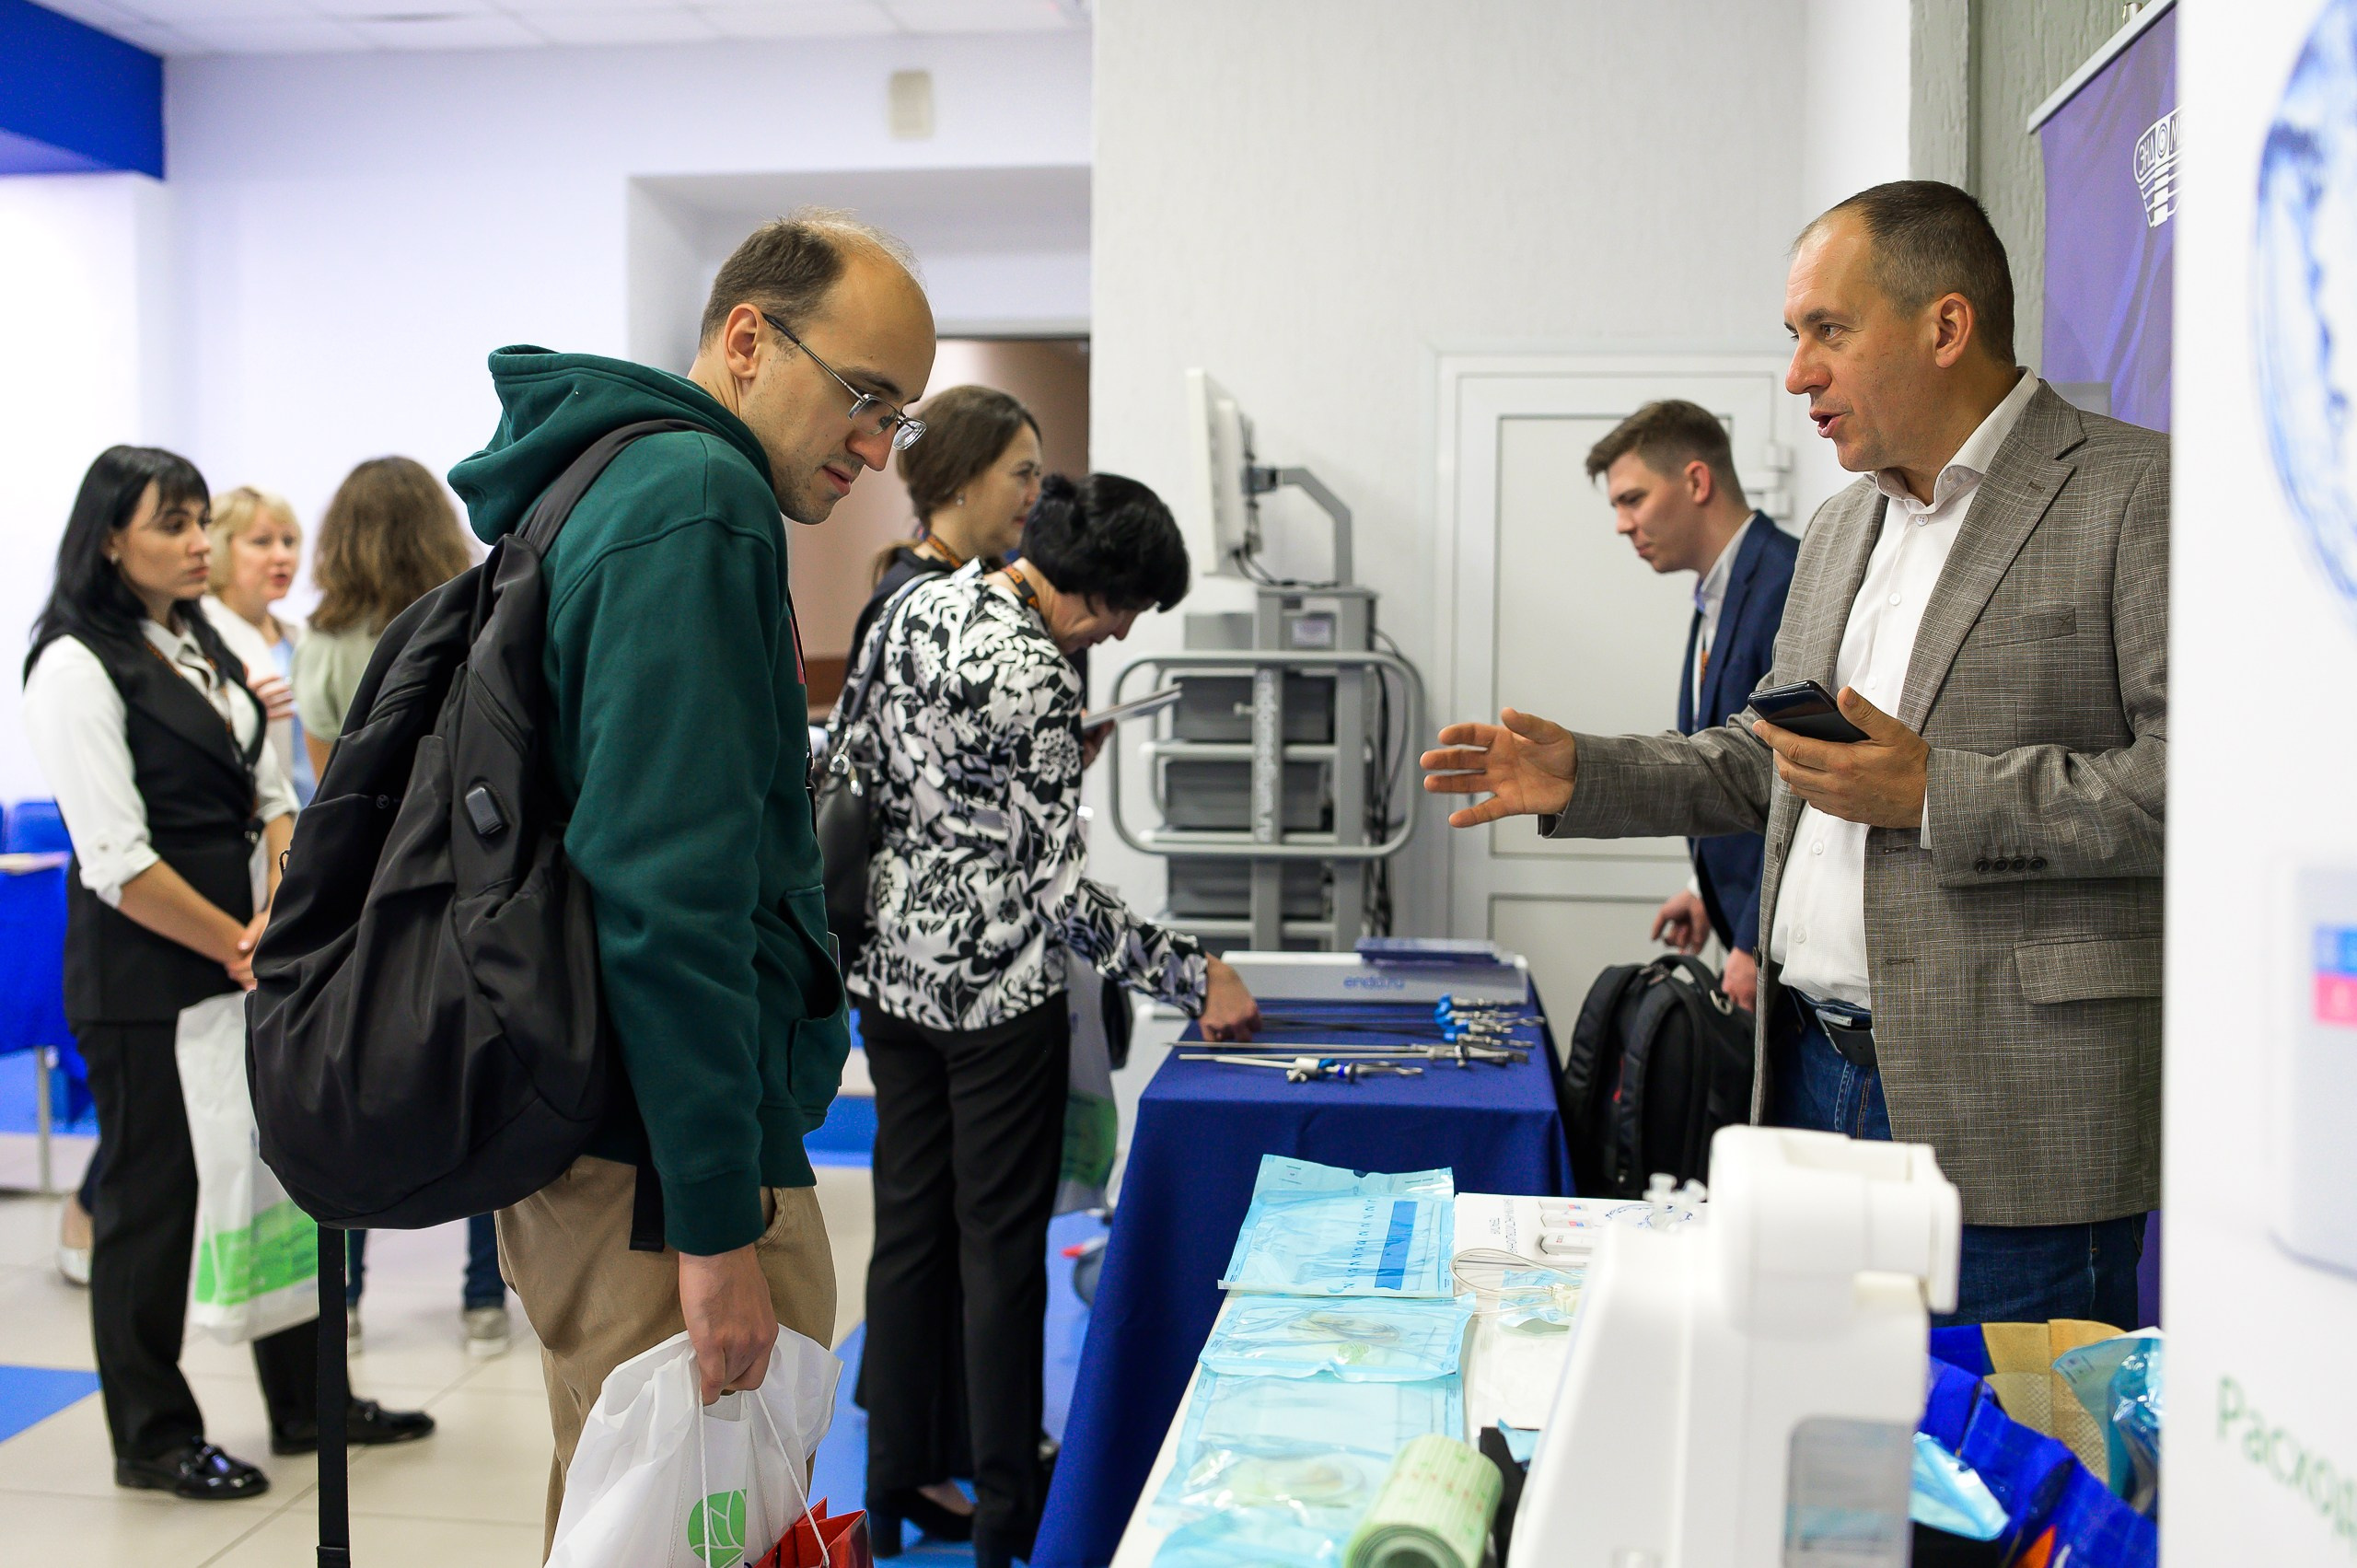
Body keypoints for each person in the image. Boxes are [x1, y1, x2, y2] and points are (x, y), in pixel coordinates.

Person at [1423, 180, 2165, 1328]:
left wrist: (1938, 791)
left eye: (1827, 331)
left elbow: (2197, 785)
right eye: (1793, 337)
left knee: (2009, 1482)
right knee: (1827, 1465)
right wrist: (1585, 774)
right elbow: (1766, 758)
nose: (1797, 373)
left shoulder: (2131, 493)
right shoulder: (1837, 529)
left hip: (2017, 1108)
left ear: (1945, 325)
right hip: (1811, 1078)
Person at [452, 209, 938, 1549]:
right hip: (659, 1171)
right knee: (697, 1514)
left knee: (629, 1507)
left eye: (901, 416)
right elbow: (667, 901)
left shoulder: (600, 478)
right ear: (746, 339)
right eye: (864, 398)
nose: (876, 447)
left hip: (594, 1138)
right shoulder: (699, 499)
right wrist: (718, 1232)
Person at [853, 472, 1262, 1567]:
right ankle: (1001, 1517)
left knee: (908, 1235)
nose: (1122, 631)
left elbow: (860, 766)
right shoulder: (1037, 669)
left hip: (892, 977)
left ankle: (889, 1484)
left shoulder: (917, 602)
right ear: (1102, 591)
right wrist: (1195, 971)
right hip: (994, 1000)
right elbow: (1058, 899)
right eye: (1128, 610)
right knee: (999, 1257)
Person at [21, 447, 434, 1502]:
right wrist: (236, 937)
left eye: (206, 520)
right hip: (147, 975)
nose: (202, 543)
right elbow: (114, 858)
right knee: (153, 1200)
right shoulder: (73, 664)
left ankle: (309, 1402)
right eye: (176, 524)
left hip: (241, 956)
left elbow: (267, 782)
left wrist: (282, 892)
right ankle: (152, 1432)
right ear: (112, 538)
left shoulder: (204, 638)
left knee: (277, 1181)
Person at [286, 456, 502, 1352]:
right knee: (481, 1077)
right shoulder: (474, 620)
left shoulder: (324, 643)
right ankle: (485, 1294)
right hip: (465, 881)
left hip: (364, 896)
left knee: (356, 1082)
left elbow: (334, 783)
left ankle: (345, 1300)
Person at [1586, 401, 1796, 1013]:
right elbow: (1727, 758)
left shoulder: (1787, 579)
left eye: (1633, 499)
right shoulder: (1717, 593)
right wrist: (1702, 888)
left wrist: (1758, 940)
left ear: (1697, 481)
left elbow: (1798, 779)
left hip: (1779, 948)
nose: (1623, 524)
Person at [848, 382, 1044, 662]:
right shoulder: (927, 603)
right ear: (960, 479)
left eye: (1038, 475)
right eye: (1023, 474)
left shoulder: (970, 579)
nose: (1035, 495)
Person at [199, 487, 312, 805]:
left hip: (310, 820)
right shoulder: (201, 635)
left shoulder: (300, 634)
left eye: (289, 542)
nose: (282, 556)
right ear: (219, 548)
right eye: (262, 542)